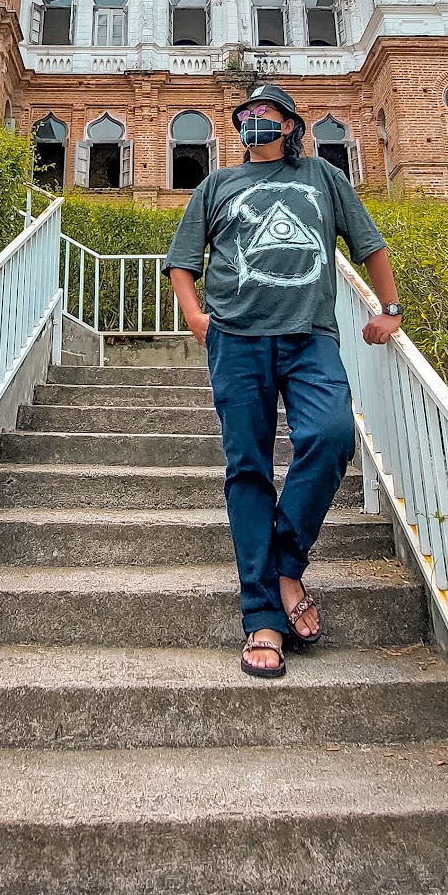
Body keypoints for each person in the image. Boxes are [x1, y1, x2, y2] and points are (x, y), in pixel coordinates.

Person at [163, 85, 404, 680]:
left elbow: (368, 242)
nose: (253, 122)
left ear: (291, 124)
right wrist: (196, 317)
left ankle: (284, 564)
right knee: (248, 468)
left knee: (330, 435)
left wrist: (388, 308)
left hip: (309, 338)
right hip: (237, 342)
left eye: (265, 114)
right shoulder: (216, 185)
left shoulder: (322, 176)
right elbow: (182, 260)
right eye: (245, 115)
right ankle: (263, 618)